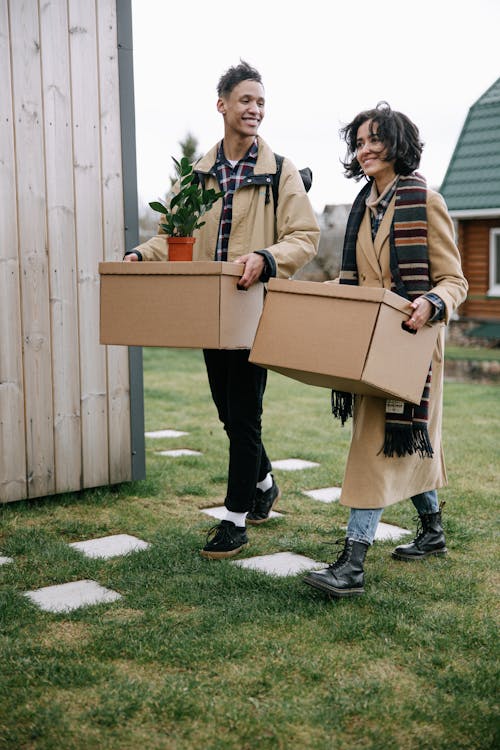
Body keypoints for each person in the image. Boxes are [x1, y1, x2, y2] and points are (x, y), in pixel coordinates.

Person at [125, 61, 319, 559]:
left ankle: (234, 520)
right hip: (208, 311)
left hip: (255, 310)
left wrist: (266, 258)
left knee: (246, 411)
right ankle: (265, 484)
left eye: (260, 102)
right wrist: (141, 255)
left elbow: (306, 236)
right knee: (226, 410)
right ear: (223, 105)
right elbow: (174, 236)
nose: (254, 109)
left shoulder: (280, 171)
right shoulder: (197, 175)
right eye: (245, 100)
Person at [304, 102, 468, 598]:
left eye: (375, 139)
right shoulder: (361, 206)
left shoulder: (425, 201)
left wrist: (433, 302)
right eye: (359, 142)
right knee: (401, 446)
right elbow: (361, 282)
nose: (365, 148)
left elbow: (453, 280)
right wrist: (315, 293)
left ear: (397, 144)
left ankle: (352, 565)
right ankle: (433, 532)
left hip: (414, 349)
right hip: (370, 345)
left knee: (373, 448)